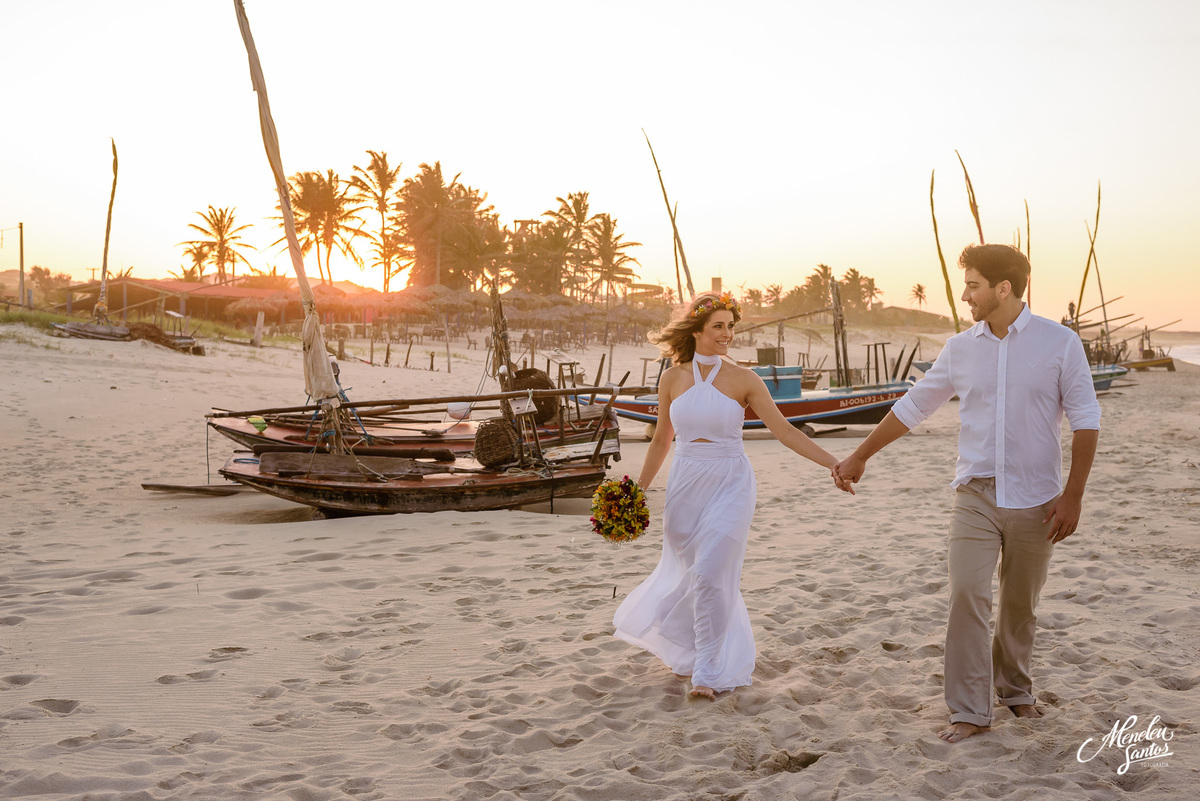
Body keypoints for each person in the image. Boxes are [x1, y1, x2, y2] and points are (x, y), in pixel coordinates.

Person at [833, 244, 1100, 742]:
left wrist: (1074, 496)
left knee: (1021, 603)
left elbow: (1087, 422)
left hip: (1038, 499)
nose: (964, 295)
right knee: (966, 593)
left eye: (973, 284)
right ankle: (969, 710)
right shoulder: (960, 348)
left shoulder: (1060, 344)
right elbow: (913, 407)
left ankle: (1016, 691)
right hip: (974, 495)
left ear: (1003, 288)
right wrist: (861, 454)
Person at [613, 291, 841, 700]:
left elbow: (785, 431)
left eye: (730, 326)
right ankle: (693, 643)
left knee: (711, 573)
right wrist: (636, 491)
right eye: (718, 326)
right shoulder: (672, 377)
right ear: (697, 330)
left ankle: (708, 670)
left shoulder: (744, 379)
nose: (727, 334)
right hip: (686, 482)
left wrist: (832, 463)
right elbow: (661, 439)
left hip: (731, 481)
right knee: (692, 573)